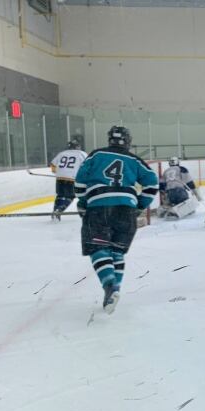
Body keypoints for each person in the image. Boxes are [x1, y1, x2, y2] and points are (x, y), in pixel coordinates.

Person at [74, 126, 158, 314]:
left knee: (98, 248)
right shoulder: (135, 160)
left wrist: (83, 201)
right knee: (117, 251)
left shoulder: (96, 155)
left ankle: (109, 286)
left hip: (98, 208)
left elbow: (80, 182)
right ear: (128, 141)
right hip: (126, 210)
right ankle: (114, 291)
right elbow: (152, 183)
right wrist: (139, 205)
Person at [49, 139, 87, 220]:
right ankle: (59, 210)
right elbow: (87, 166)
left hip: (59, 178)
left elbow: (53, 166)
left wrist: (58, 172)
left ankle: (55, 209)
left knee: (60, 195)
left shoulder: (62, 153)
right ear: (77, 147)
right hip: (72, 178)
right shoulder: (82, 154)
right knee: (70, 196)